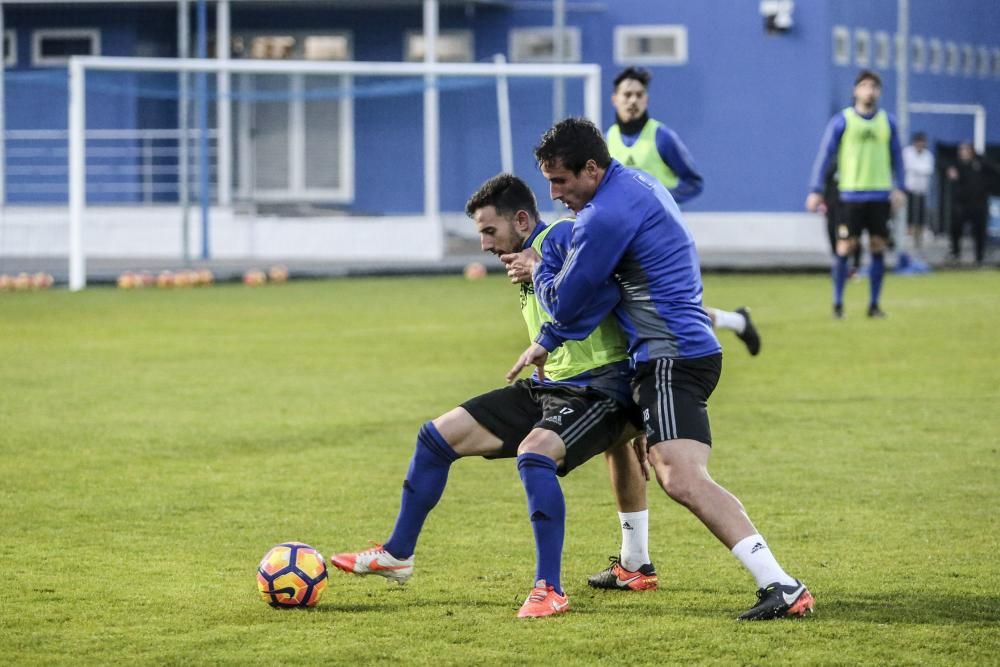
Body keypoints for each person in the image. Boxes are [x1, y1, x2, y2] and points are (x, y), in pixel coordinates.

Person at [506, 118, 814, 621]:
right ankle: (633, 562)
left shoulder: (604, 215)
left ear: (590, 169)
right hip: (671, 350)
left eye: (560, 181)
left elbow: (570, 299)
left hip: (670, 357)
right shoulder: (636, 182)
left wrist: (541, 268)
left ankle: (780, 583)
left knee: (680, 477)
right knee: (621, 445)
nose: (554, 193)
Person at [330, 173, 645, 619]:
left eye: (489, 231)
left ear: (521, 220)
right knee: (436, 437)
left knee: (534, 457)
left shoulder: (561, 233)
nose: (483, 244)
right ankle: (398, 553)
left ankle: (549, 588)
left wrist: (542, 264)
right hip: (550, 384)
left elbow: (610, 274)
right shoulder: (525, 256)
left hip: (601, 387)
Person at [606, 66, 761, 357]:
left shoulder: (661, 137)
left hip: (661, 240)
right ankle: (736, 321)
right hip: (623, 239)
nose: (633, 100)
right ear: (615, 99)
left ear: (647, 100)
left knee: (666, 309)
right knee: (642, 307)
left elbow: (693, 181)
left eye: (639, 95)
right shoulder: (607, 140)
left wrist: (661, 200)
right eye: (627, 94)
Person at [807, 69, 906, 319]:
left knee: (877, 246)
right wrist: (816, 189)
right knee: (845, 247)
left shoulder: (888, 122)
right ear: (855, 91)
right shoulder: (843, 120)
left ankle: (874, 305)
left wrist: (900, 187)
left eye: (874, 86)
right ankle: (838, 305)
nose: (869, 91)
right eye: (864, 86)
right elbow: (825, 155)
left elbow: (897, 157)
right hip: (850, 195)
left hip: (879, 195)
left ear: (879, 92)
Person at [947, 142, 999, 266]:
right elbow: (945, 167)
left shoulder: (981, 164)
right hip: (962, 203)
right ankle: (955, 254)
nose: (962, 152)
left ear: (971, 151)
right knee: (956, 227)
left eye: (965, 150)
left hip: (979, 203)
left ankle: (979, 257)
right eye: (961, 150)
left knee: (979, 231)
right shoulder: (957, 165)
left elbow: (995, 171)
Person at [902, 132, 935, 254]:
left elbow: (928, 169)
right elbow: (908, 166)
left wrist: (916, 169)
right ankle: (908, 242)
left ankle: (918, 243)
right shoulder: (907, 152)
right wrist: (918, 169)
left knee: (920, 217)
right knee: (909, 216)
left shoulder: (928, 155)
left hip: (922, 190)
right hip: (910, 190)